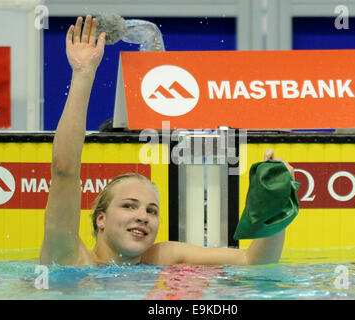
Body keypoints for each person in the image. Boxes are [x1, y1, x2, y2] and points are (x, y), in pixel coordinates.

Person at [39, 15, 295, 267]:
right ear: (101, 219)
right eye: (129, 206)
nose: (142, 217)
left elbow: (253, 260)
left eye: (151, 211)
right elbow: (64, 170)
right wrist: (83, 74)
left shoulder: (162, 258)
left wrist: (276, 198)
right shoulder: (70, 258)